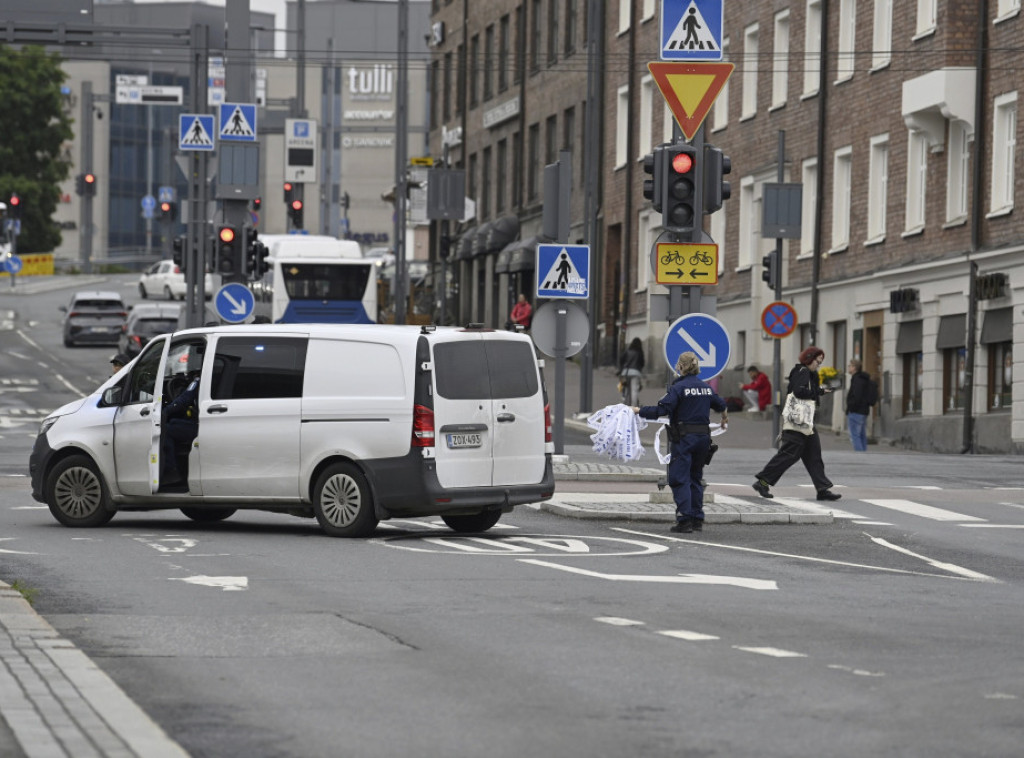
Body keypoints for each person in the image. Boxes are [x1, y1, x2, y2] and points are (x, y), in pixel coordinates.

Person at [633, 351, 728, 534]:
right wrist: (724, 419)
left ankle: (684, 520)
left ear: (682, 366)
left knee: (679, 478)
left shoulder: (678, 388)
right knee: (695, 477)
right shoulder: (705, 387)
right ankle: (697, 519)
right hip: (703, 439)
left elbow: (662, 410)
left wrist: (638, 410)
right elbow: (721, 405)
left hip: (684, 438)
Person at [751, 346, 841, 501]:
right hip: (798, 421)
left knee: (814, 455)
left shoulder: (808, 373)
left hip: (805, 421)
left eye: (820, 363)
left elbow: (804, 391)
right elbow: (799, 392)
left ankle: (822, 489)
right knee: (789, 454)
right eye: (817, 361)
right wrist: (819, 391)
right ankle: (762, 482)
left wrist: (819, 390)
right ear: (809, 359)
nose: (818, 365)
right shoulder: (802, 371)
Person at [161, 371, 200, 488]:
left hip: (199, 426)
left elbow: (184, 399)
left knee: (165, 430)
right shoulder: (211, 377)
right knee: (173, 422)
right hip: (200, 422)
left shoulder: (198, 381)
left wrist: (164, 412)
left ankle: (171, 470)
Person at [845, 359, 874, 452]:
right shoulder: (862, 379)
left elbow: (857, 396)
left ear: (854, 368)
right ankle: (864, 454)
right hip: (863, 411)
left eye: (850, 366)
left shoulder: (857, 379)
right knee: (861, 434)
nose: (848, 367)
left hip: (856, 411)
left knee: (855, 435)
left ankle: (860, 455)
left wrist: (851, 407)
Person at [618, 337, 645, 406]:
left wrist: (622, 368)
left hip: (626, 373)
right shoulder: (639, 352)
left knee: (626, 389)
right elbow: (642, 363)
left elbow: (621, 360)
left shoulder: (627, 351)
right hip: (636, 373)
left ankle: (625, 404)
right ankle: (633, 406)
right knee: (634, 390)